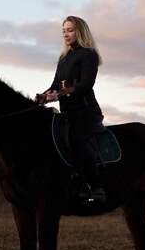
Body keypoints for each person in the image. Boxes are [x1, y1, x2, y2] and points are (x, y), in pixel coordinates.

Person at [36, 16, 106, 204]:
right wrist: (43, 97)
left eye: (70, 30)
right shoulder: (64, 58)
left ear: (80, 31)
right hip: (68, 114)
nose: (66, 34)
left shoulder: (89, 54)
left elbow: (85, 85)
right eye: (64, 31)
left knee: (76, 139)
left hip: (87, 112)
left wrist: (59, 96)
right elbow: (54, 85)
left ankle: (96, 187)